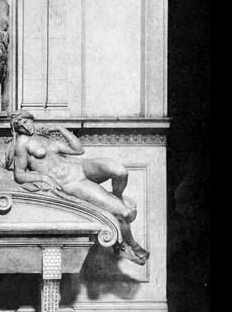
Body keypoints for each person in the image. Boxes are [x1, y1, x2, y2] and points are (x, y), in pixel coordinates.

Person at [9, 110, 149, 265]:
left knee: (120, 171)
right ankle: (132, 245)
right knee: (124, 213)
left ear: (31, 119)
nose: (24, 126)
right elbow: (19, 174)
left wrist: (60, 129)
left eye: (26, 121)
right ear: (17, 129)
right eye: (19, 125)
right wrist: (43, 177)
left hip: (81, 167)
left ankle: (118, 197)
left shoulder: (45, 139)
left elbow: (78, 150)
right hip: (72, 182)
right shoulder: (22, 143)